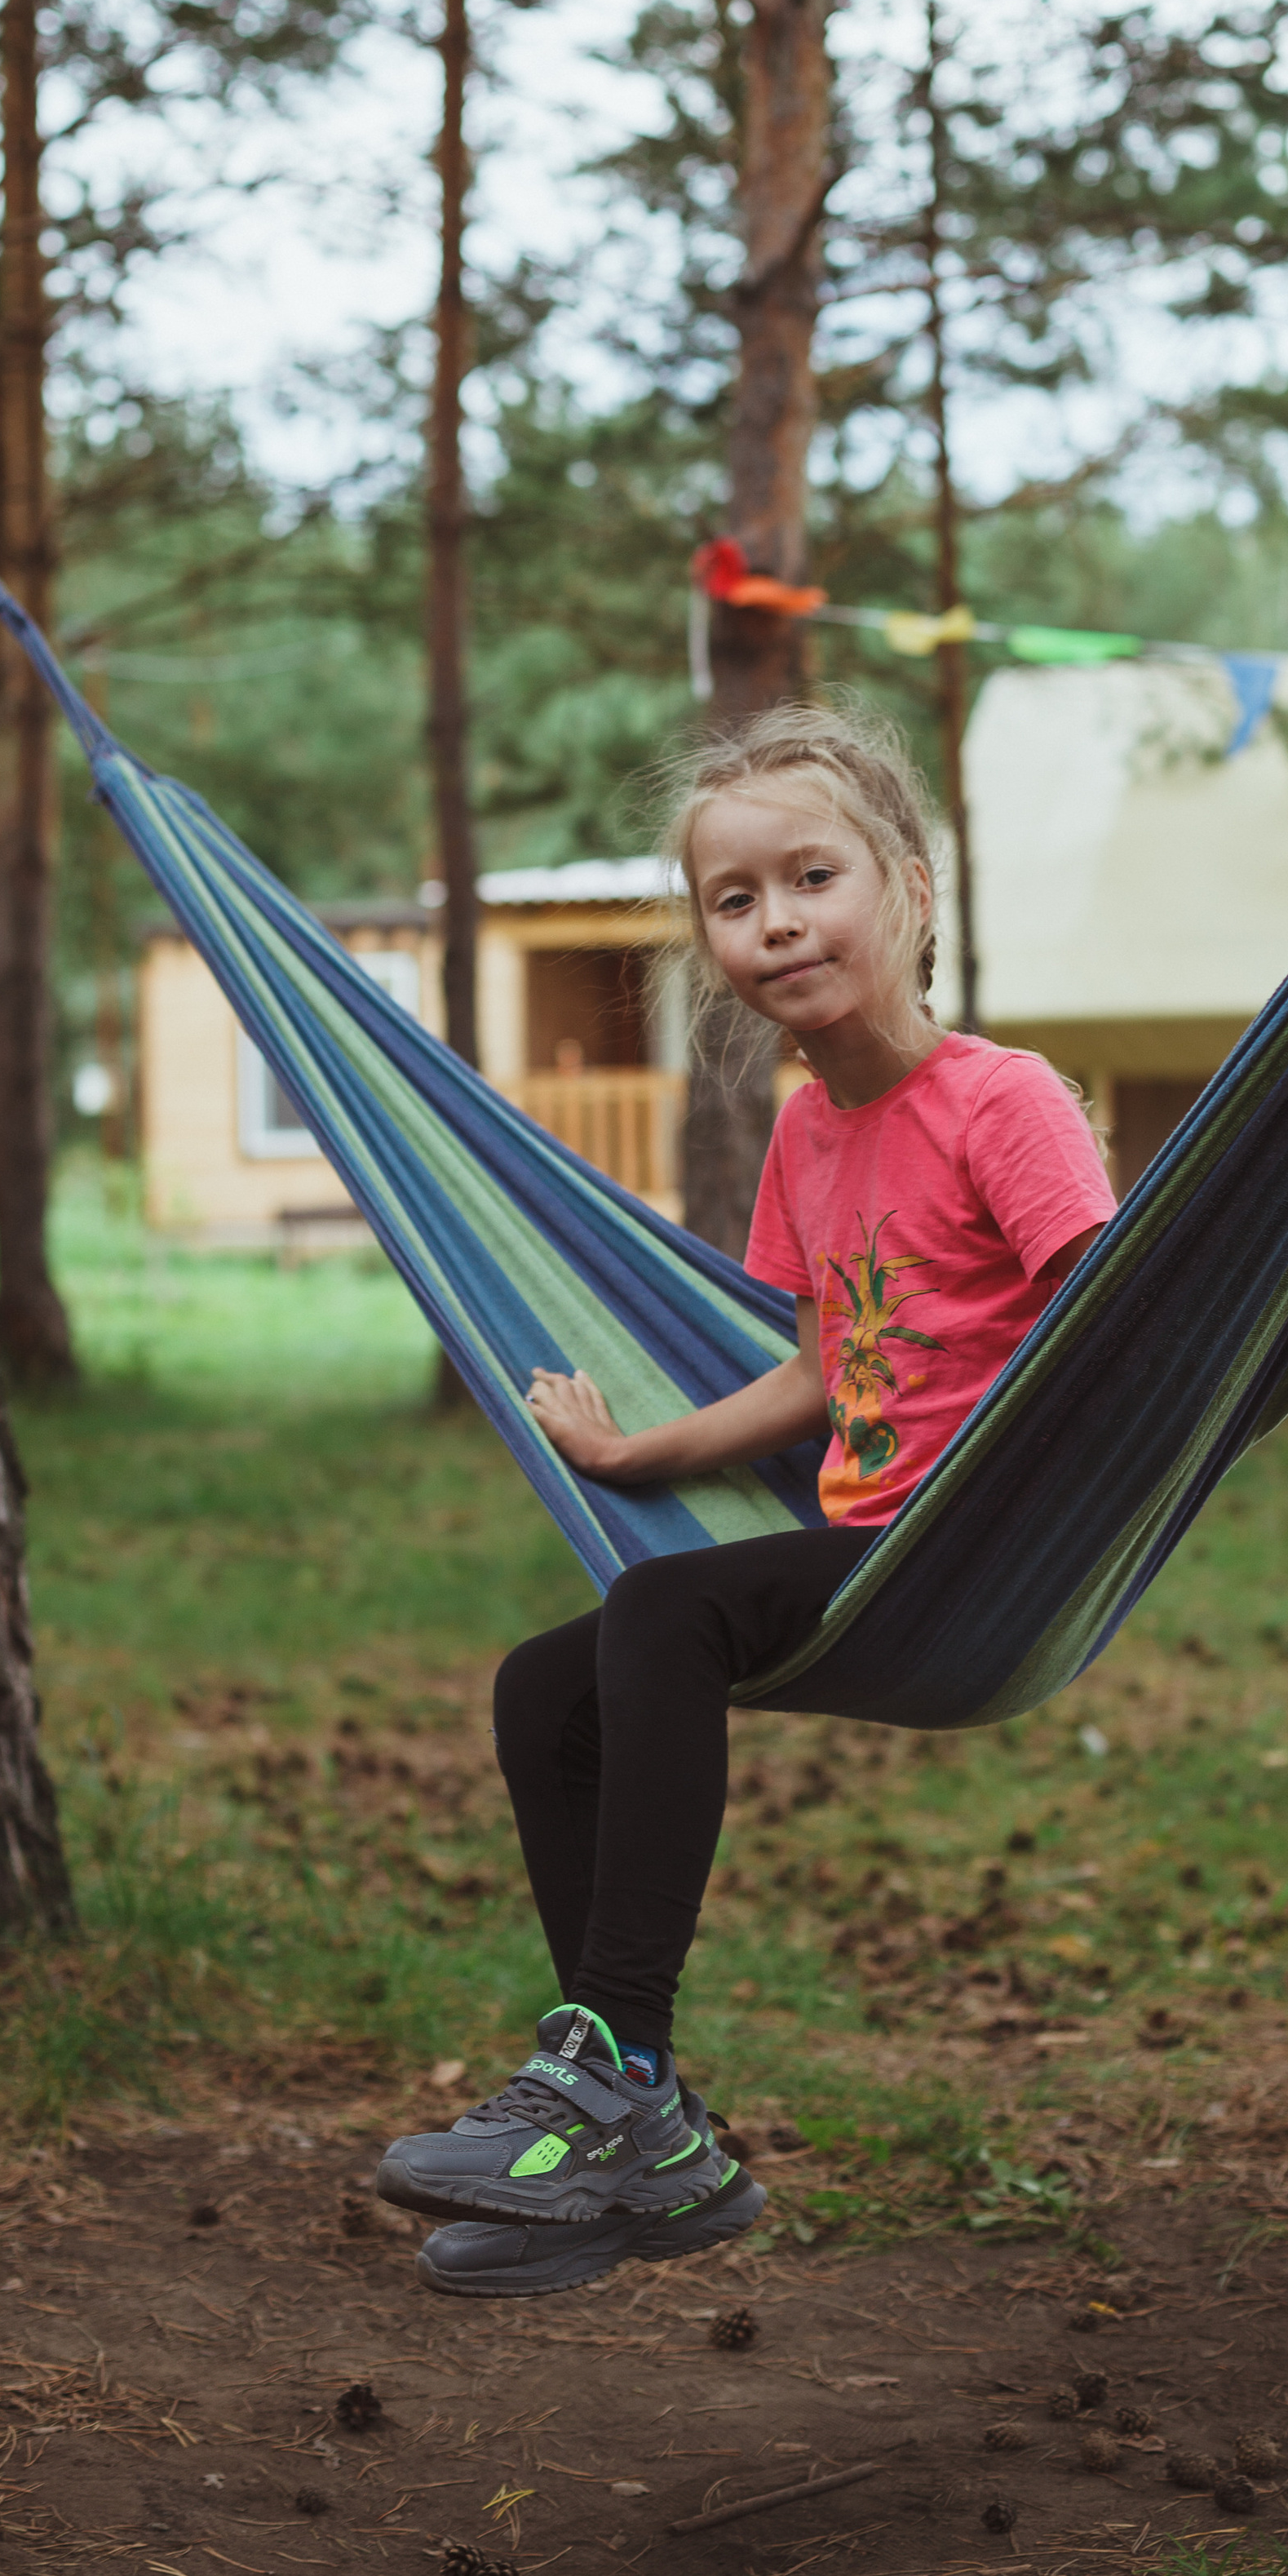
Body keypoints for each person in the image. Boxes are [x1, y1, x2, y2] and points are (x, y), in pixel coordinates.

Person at [374, 701, 1117, 2294]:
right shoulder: (806, 1134)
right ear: (710, 941)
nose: (776, 920)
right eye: (733, 898)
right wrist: (636, 1455)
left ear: (909, 890)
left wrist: (1048, 1476)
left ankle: (611, 2076)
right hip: (861, 1550)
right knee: (537, 1688)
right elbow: (813, 1372)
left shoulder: (1004, 1101)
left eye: (811, 877)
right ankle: (640, 2161)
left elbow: (1104, 1323)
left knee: (660, 1609)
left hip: (975, 1552)